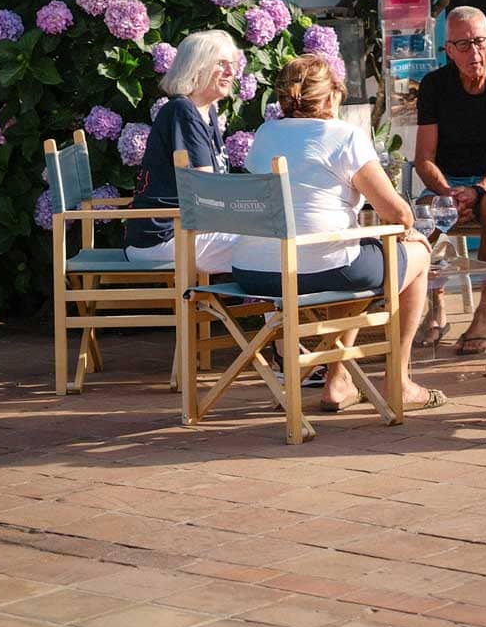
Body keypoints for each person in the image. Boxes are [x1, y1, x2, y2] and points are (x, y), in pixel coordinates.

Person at [231, 54, 445, 413]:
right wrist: (406, 226)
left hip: (253, 272)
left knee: (355, 260)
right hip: (318, 266)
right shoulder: (343, 136)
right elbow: (398, 214)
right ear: (330, 98)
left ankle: (338, 379)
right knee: (416, 251)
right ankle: (400, 379)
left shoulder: (265, 135)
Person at [413, 5, 486, 355]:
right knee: (423, 211)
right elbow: (423, 159)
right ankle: (435, 309)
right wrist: (450, 194)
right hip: (447, 183)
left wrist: (480, 190)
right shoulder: (434, 86)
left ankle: (485, 314)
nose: (473, 52)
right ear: (448, 50)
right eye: (462, 45)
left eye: (479, 41)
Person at [126, 29, 245, 272]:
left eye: (232, 64)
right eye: (221, 64)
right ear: (196, 66)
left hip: (187, 231)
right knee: (269, 247)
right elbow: (207, 190)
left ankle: (276, 310)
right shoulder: (183, 112)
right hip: (164, 238)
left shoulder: (206, 112)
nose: (231, 72)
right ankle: (281, 311)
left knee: (270, 244)